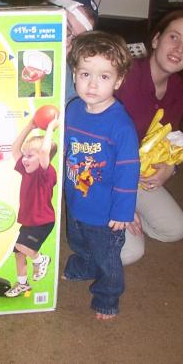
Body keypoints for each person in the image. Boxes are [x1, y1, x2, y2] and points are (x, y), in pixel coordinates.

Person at [63, 31, 140, 319]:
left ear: (118, 81)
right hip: (77, 199)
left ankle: (107, 297)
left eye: (104, 77)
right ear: (74, 74)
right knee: (78, 241)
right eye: (85, 74)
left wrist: (123, 211)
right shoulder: (72, 109)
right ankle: (84, 266)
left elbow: (128, 170)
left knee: (108, 259)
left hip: (106, 212)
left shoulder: (120, 125)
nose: (93, 84)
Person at [116, 10, 183, 265]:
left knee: (175, 229)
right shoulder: (123, 77)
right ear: (156, 40)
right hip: (104, 177)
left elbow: (170, 140)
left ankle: (128, 226)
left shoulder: (177, 89)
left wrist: (170, 168)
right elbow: (96, 147)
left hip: (139, 175)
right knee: (129, 253)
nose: (179, 49)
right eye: (174, 37)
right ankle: (94, 226)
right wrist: (121, 203)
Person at [5, 115, 59, 297]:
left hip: (42, 221)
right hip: (30, 221)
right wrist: (30, 125)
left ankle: (42, 259)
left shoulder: (46, 172)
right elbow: (15, 150)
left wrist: (50, 128)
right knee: (18, 253)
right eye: (25, 156)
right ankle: (22, 284)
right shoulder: (27, 170)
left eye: (30, 156)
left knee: (23, 247)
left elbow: (44, 152)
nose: (25, 159)